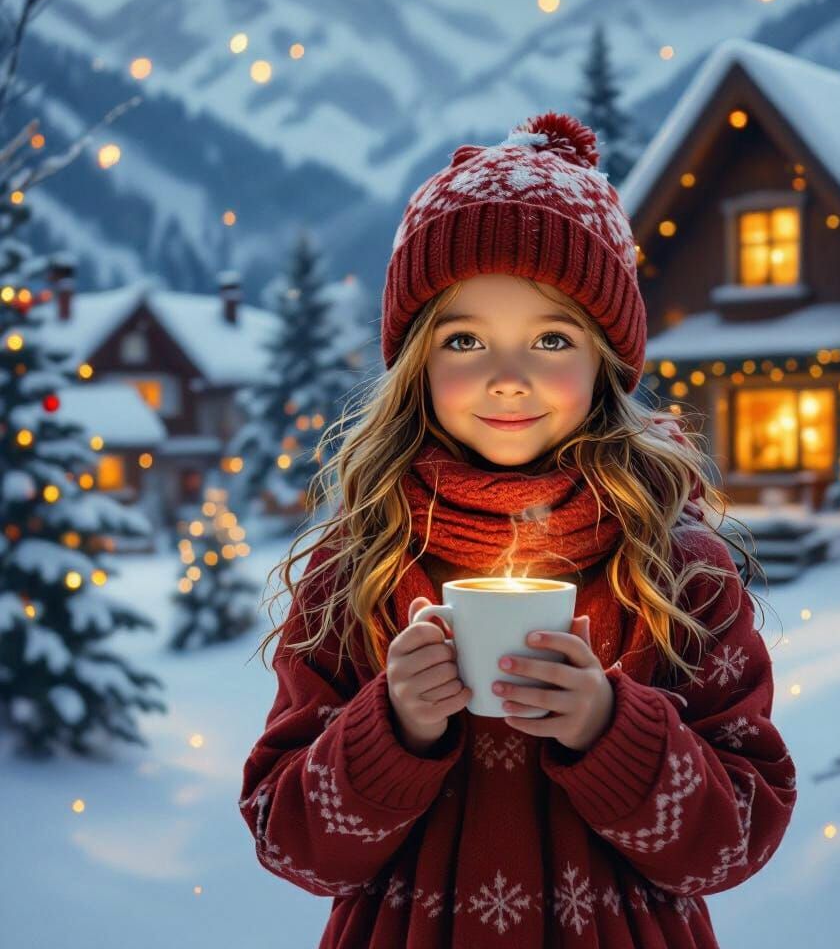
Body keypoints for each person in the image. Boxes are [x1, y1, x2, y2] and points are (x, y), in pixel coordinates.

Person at [238, 111, 797, 948]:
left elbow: (736, 840)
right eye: (465, 338)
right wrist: (390, 728)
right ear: (416, 364)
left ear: (607, 359)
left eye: (550, 337)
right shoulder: (359, 568)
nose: (507, 378)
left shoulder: (679, 570)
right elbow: (292, 846)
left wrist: (614, 731)